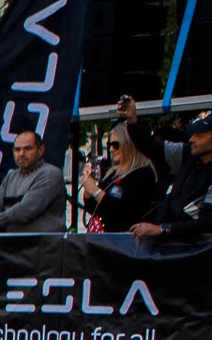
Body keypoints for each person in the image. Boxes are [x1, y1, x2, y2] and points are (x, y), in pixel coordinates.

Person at [119, 99, 212, 246]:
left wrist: (164, 229)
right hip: (168, 249)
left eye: (200, 135)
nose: (192, 138)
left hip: (195, 255)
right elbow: (151, 147)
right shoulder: (188, 154)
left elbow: (208, 222)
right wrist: (133, 120)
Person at [79, 122, 158, 233]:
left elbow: (123, 210)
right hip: (104, 237)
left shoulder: (142, 173)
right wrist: (88, 188)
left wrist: (95, 191)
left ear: (129, 145)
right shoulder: (113, 173)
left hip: (124, 240)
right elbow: (94, 209)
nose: (111, 149)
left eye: (116, 145)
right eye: (109, 145)